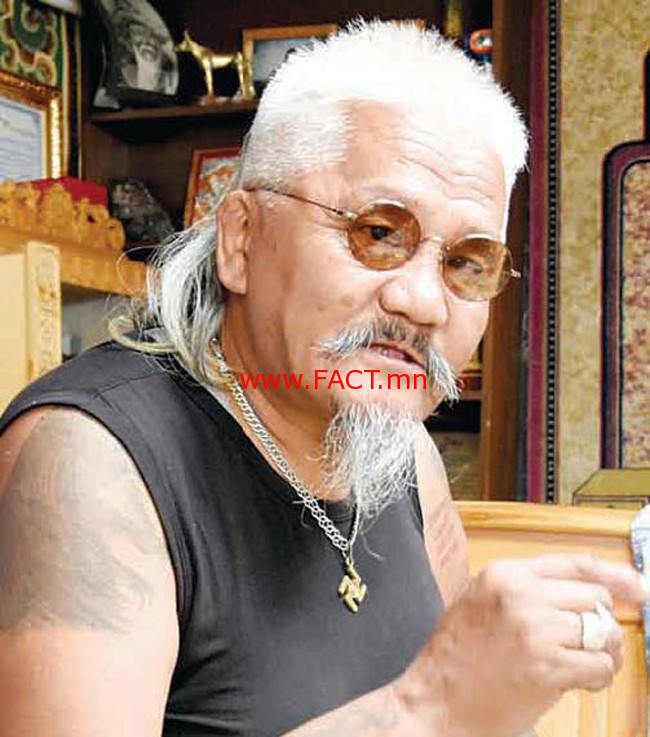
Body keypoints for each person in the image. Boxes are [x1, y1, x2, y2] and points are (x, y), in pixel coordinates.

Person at [0, 20, 646, 737]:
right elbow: (436, 710)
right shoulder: (87, 462)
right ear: (241, 239)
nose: (423, 302)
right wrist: (427, 707)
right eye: (378, 233)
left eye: (466, 263)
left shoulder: (403, 453)